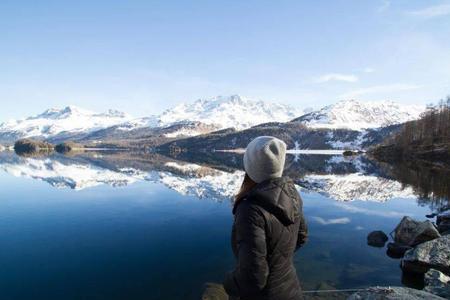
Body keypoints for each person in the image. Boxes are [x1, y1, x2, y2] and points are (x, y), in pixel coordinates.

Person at [223, 136, 308, 300]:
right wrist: (277, 260)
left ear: (250, 165)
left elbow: (253, 277)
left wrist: (228, 282)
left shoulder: (250, 210)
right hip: (291, 290)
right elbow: (302, 237)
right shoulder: (292, 194)